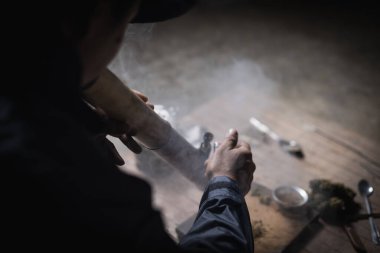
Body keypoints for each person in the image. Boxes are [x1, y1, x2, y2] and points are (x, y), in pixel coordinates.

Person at [1, 0, 255, 252]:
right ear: (87, 21)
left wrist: (73, 108)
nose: (118, 41)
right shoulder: (72, 180)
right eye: (121, 25)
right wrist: (225, 185)